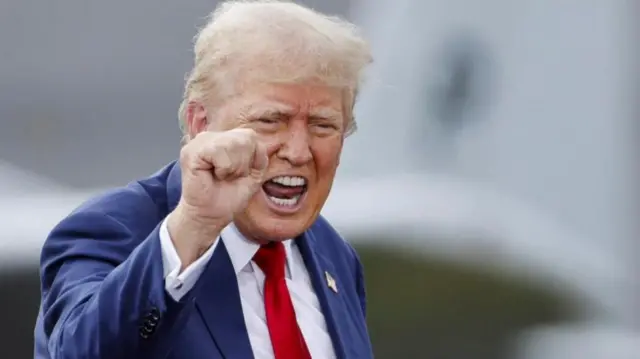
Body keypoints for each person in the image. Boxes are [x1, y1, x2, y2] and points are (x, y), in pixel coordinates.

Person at [34, 1, 373, 358]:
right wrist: (194, 227)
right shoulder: (109, 231)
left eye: (323, 126)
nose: (299, 151)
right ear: (201, 124)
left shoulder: (334, 255)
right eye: (272, 120)